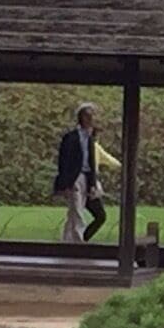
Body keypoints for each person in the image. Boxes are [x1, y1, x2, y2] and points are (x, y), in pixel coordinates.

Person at [54, 103, 108, 243]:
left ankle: (68, 241)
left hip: (86, 177)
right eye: (88, 116)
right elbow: (64, 162)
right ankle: (78, 242)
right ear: (81, 117)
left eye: (92, 116)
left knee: (82, 212)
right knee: (76, 210)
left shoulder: (89, 138)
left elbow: (90, 162)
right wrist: (64, 184)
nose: (91, 119)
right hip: (75, 177)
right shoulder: (71, 138)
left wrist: (92, 183)